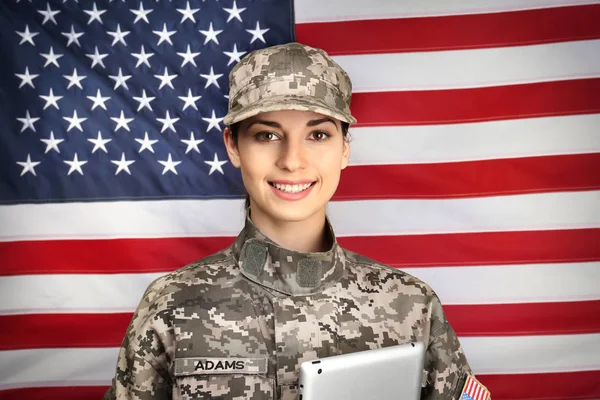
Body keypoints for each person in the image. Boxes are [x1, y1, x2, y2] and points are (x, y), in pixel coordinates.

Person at [103, 42, 489, 400]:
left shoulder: (411, 305)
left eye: (318, 134)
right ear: (233, 146)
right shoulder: (171, 303)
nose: (292, 160)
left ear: (344, 150)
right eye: (267, 135)